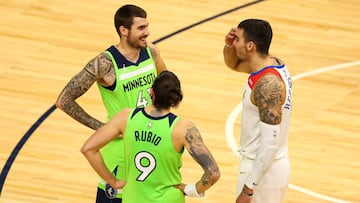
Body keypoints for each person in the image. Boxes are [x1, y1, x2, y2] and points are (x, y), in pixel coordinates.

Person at [55, 4, 167, 202]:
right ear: (123, 30)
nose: (147, 33)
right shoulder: (105, 63)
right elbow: (64, 100)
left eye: (147, 26)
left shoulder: (151, 52)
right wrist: (104, 128)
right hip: (120, 152)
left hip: (150, 145)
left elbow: (166, 83)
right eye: (141, 28)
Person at [81, 70, 220, 203]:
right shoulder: (183, 129)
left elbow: (88, 149)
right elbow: (213, 173)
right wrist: (191, 190)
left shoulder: (126, 117)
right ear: (177, 98)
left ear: (151, 92)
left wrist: (113, 181)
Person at [223, 19, 293, 203]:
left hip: (262, 171)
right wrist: (229, 45)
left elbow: (270, 144)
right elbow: (232, 64)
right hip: (268, 167)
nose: (234, 42)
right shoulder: (272, 63)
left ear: (250, 46)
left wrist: (249, 189)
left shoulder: (267, 85)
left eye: (237, 39)